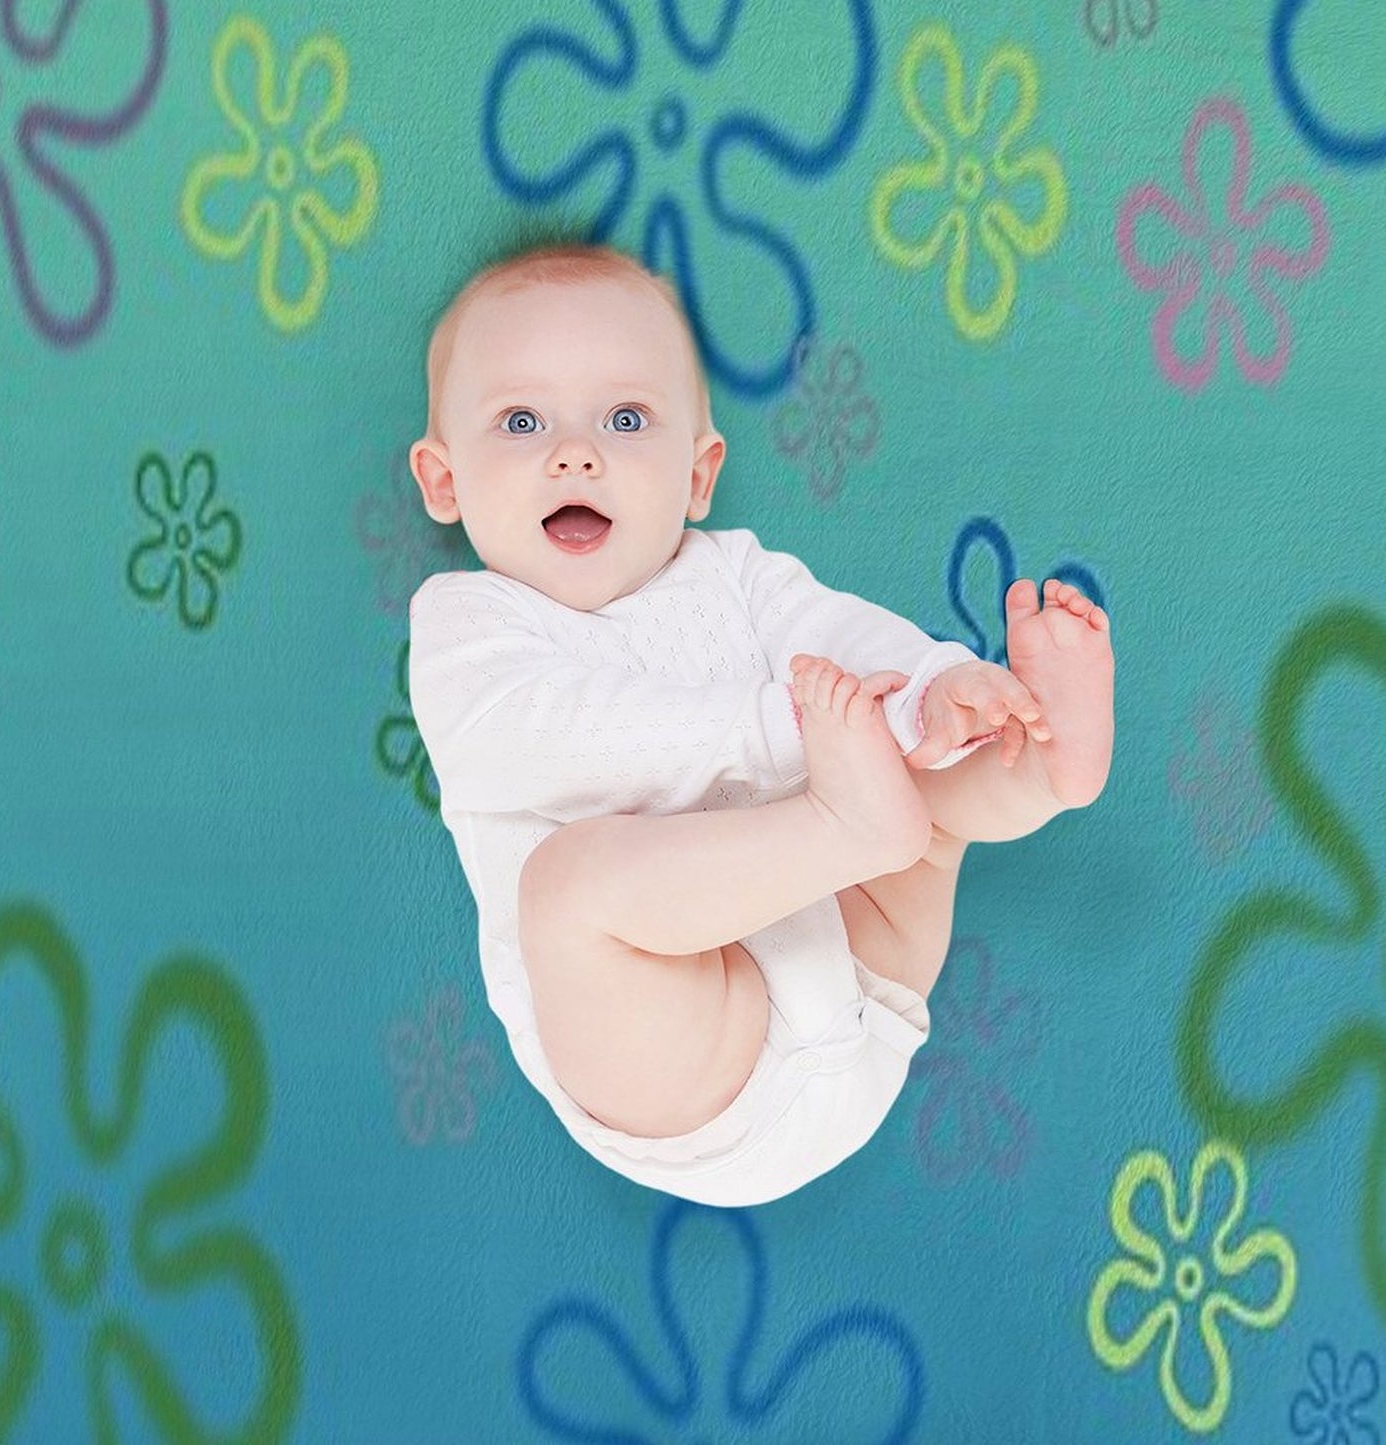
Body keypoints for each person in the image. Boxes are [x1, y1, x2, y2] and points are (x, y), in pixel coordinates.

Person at [406, 242, 1115, 1207]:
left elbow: (837, 633)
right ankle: (854, 822)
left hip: (866, 975)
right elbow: (552, 739)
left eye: (625, 418)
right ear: (443, 481)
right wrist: (786, 730)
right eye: (521, 420)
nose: (576, 453)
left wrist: (933, 687)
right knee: (567, 888)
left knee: (925, 791)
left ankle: (1034, 767)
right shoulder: (469, 625)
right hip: (689, 1063)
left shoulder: (732, 572)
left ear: (697, 476)